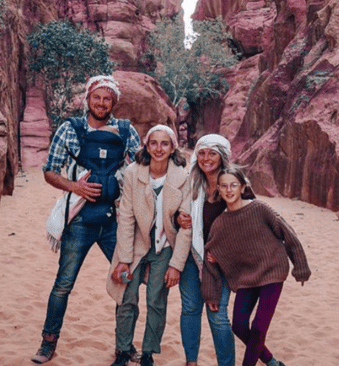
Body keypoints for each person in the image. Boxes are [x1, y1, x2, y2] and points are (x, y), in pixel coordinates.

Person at [32, 75, 142, 364]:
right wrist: (74, 187)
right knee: (64, 283)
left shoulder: (125, 130)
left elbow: (142, 167)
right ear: (88, 99)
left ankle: (124, 345)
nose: (102, 103)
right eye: (97, 97)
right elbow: (49, 171)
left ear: (114, 102)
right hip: (80, 219)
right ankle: (48, 342)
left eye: (107, 98)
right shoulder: (70, 129)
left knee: (126, 283)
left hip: (114, 220)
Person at [202, 166, 311, 366]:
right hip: (247, 278)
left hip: (272, 271)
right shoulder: (220, 223)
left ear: (242, 187)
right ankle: (272, 362)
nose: (229, 190)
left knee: (259, 327)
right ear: (218, 189)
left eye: (233, 185)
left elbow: (287, 233)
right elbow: (210, 257)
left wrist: (300, 267)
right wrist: (211, 292)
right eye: (224, 186)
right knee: (239, 326)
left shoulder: (259, 208)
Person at [108, 125, 192, 366]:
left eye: (164, 143)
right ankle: (123, 350)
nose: (158, 148)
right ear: (146, 145)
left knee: (156, 299)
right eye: (153, 143)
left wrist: (176, 264)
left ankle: (147, 353)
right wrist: (124, 258)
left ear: (173, 146)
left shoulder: (182, 177)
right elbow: (126, 216)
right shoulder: (134, 172)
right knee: (127, 296)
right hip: (135, 244)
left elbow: (185, 225)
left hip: (164, 246)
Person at [176, 134, 237, 366]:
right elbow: (177, 210)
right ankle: (191, 362)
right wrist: (177, 218)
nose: (206, 158)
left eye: (212, 153)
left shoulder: (234, 183)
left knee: (218, 316)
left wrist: (221, 254)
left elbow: (244, 224)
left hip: (221, 262)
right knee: (190, 309)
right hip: (194, 255)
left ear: (222, 156)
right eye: (201, 153)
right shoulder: (192, 182)